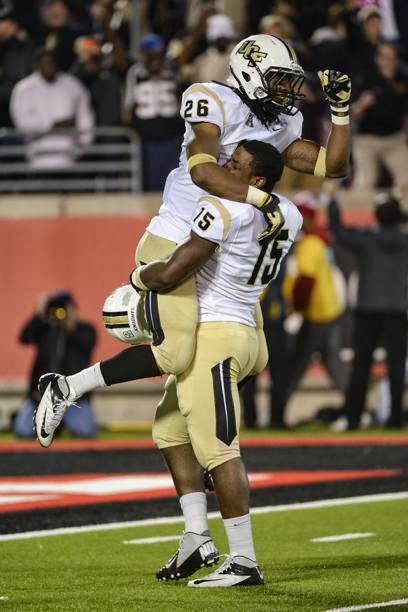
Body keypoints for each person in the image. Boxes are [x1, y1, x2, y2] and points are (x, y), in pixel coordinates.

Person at [35, 140, 303, 586]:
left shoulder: (222, 209)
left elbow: (174, 269)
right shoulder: (289, 213)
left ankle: (243, 560)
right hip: (249, 336)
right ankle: (197, 536)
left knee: (219, 451)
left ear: (256, 179)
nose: (224, 167)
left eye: (235, 164)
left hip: (215, 338)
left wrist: (137, 278)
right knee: (169, 431)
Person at [328, 189, 408, 431]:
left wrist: (333, 200)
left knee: (361, 367)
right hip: (396, 310)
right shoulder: (404, 240)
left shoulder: (367, 239)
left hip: (368, 310)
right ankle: (395, 419)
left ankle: (353, 417)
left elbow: (338, 231)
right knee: (396, 367)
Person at [275, 189, 348, 426]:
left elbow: (306, 282)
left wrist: (297, 309)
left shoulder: (310, 244)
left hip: (315, 314)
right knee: (333, 365)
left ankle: (278, 415)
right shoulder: (318, 241)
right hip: (327, 312)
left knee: (296, 366)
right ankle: (356, 412)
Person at [14, 290, 98, 439]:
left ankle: (59, 423)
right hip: (42, 396)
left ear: (73, 309)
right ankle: (53, 424)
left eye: (64, 308)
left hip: (74, 398)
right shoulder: (46, 329)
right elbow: (24, 338)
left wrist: (70, 327)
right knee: (23, 431)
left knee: (86, 432)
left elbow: (88, 343)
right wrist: (37, 315)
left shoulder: (85, 329)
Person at [9, 47, 95, 168]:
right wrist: (53, 125)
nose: (49, 66)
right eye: (45, 62)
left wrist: (82, 147)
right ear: (37, 65)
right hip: (38, 159)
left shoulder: (73, 85)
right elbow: (23, 125)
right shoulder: (23, 89)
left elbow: (86, 119)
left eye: (52, 62)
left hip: (71, 158)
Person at [123, 33, 185, 191]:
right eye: (151, 55)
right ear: (144, 55)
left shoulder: (171, 69)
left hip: (170, 135)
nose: (155, 59)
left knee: (172, 181)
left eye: (158, 54)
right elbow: (129, 104)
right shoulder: (135, 72)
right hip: (146, 137)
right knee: (150, 180)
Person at [351, 42, 408, 192]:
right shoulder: (365, 79)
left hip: (394, 139)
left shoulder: (402, 79)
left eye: (393, 58)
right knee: (364, 185)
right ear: (378, 59)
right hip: (367, 140)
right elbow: (352, 113)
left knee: (406, 181)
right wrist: (361, 105)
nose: (389, 62)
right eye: (385, 58)